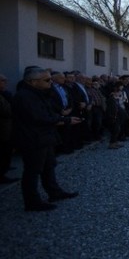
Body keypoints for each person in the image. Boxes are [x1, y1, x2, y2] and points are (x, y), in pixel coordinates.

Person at [12, 67, 81, 212]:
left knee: (49, 166)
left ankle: (54, 192)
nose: (51, 83)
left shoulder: (39, 94)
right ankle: (32, 202)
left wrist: (64, 119)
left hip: (44, 137)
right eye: (47, 80)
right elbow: (39, 117)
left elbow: (49, 111)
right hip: (33, 139)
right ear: (33, 81)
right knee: (33, 171)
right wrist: (64, 120)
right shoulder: (25, 96)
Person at [0, 74, 17, 184]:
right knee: (2, 153)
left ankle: (4, 170)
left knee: (6, 152)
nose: (5, 83)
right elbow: (6, 111)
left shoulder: (4, 94)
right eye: (3, 81)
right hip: (2, 130)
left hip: (7, 129)